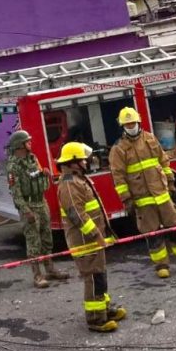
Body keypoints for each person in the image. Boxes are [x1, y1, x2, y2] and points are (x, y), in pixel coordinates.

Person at [109, 107, 176, 278]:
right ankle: (161, 266)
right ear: (122, 126)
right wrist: (126, 199)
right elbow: (118, 177)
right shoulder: (118, 149)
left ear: (139, 122)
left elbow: (163, 161)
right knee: (152, 233)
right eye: (127, 124)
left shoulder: (150, 138)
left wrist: (171, 184)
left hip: (162, 194)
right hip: (142, 198)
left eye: (133, 123)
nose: (131, 126)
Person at [56, 141, 126, 333]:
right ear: (72, 162)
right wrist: (96, 234)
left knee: (100, 274)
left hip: (91, 240)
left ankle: (104, 309)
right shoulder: (69, 185)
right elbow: (76, 215)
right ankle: (96, 319)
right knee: (93, 278)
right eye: (82, 160)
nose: (86, 163)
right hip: (85, 241)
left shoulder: (78, 179)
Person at [4, 130, 69, 289]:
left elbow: (41, 182)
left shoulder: (33, 159)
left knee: (47, 238)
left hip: (41, 202)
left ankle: (50, 269)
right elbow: (16, 193)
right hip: (29, 206)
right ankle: (37, 275)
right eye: (27, 141)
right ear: (20, 145)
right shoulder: (13, 167)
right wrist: (26, 211)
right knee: (33, 241)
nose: (30, 143)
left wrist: (46, 175)